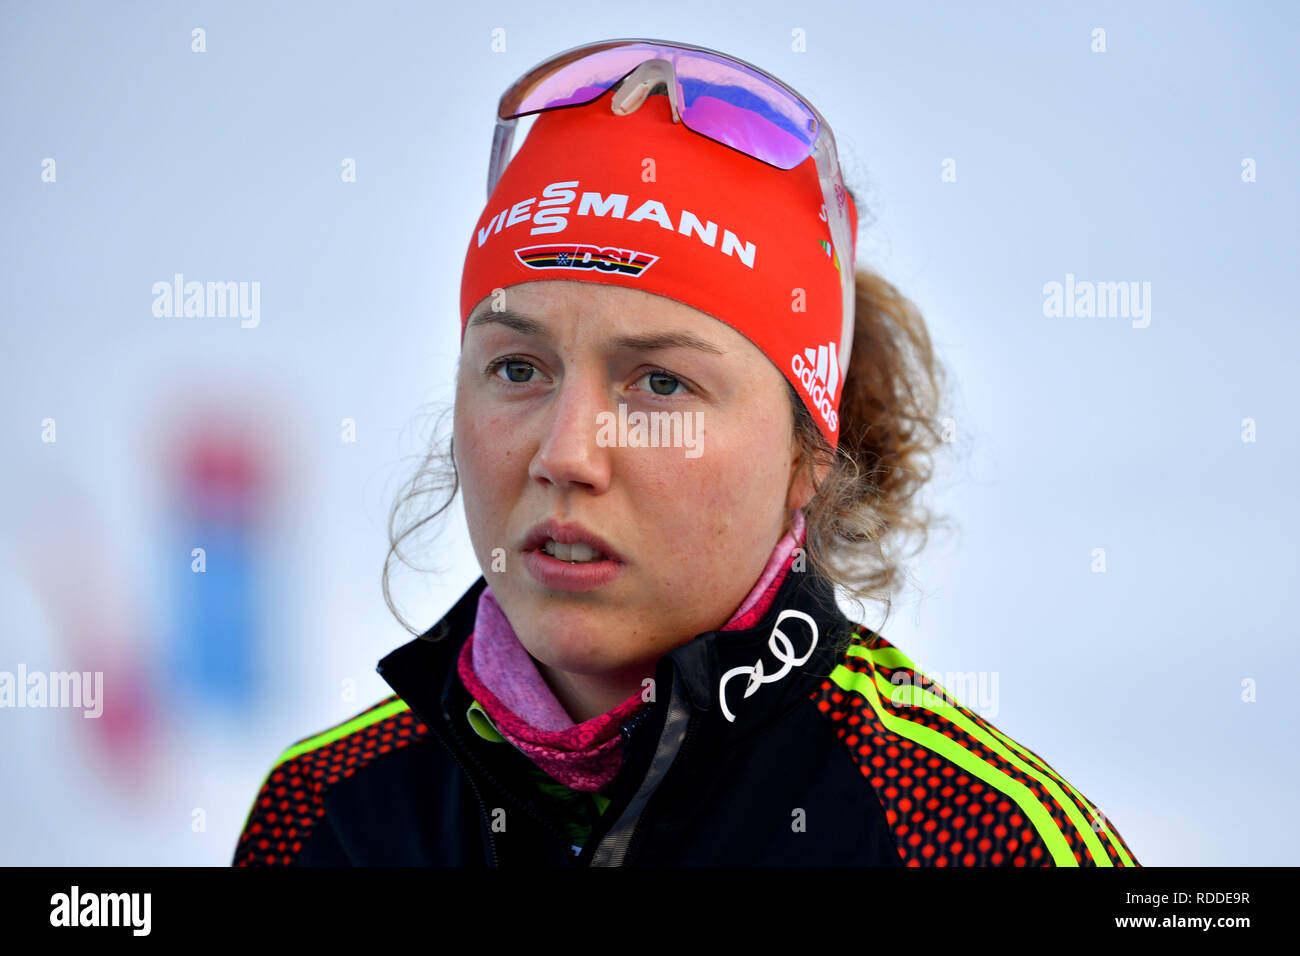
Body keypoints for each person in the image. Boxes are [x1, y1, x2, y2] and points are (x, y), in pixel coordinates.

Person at [232, 38, 1140, 867]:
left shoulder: (971, 839)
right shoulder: (325, 819)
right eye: (518, 367)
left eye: (660, 384)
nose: (568, 453)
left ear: (807, 453)